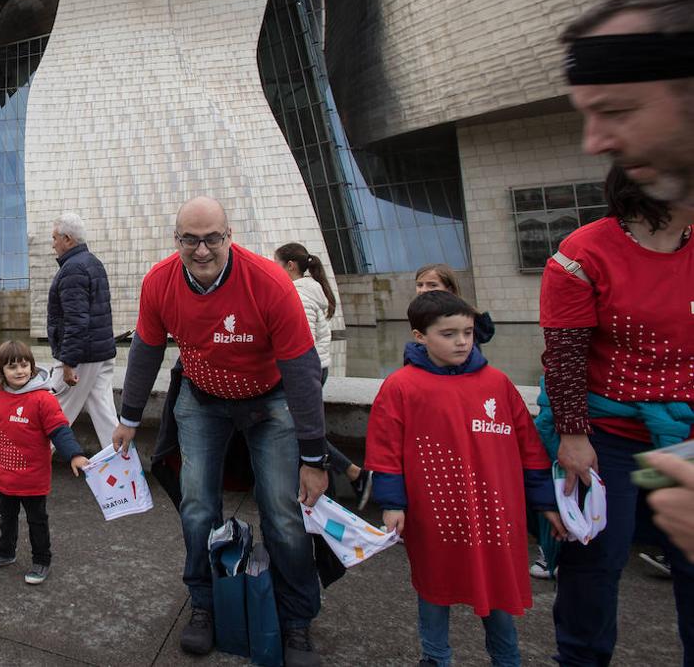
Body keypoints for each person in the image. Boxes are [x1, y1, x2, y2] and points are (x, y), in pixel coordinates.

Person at [540, 0, 694, 665]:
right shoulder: (583, 254)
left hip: (679, 432)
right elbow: (565, 356)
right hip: (609, 437)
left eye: (618, 110)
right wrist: (572, 438)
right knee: (594, 573)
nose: (594, 139)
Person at [113, 196, 328, 661]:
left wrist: (315, 456)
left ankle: (295, 619)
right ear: (177, 240)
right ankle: (205, 603)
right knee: (196, 506)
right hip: (203, 398)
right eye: (190, 239)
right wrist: (129, 417)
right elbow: (146, 351)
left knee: (282, 512)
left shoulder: (269, 282)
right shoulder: (159, 282)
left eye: (212, 238)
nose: (202, 250)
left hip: (269, 399)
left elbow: (302, 370)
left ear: (229, 236)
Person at [367, 291, 562, 667]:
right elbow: (385, 450)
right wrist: (392, 504)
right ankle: (436, 657)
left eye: (468, 332)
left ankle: (507, 659)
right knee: (435, 589)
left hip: (495, 515)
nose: (461, 341)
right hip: (435, 516)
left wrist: (546, 502)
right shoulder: (402, 387)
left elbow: (530, 450)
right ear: (419, 336)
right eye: (449, 333)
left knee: (499, 591)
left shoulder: (497, 383)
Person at [0, 340, 89, 585]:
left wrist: (74, 454)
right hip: (4, 474)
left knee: (36, 520)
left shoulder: (43, 399)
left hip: (33, 477)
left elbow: (59, 429)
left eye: (24, 365)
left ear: (32, 367)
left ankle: (42, 560)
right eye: (12, 367)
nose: (20, 371)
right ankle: (5, 552)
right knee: (6, 517)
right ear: (0, 371)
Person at [274, 242, 371, 506]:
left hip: (304, 372)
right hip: (319, 367)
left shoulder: (300, 293)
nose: (275, 269)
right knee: (300, 430)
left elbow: (298, 338)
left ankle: (352, 475)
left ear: (290, 266)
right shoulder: (313, 288)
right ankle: (347, 479)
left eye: (277, 263)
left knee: (299, 430)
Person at [46, 213, 118, 450]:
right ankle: (125, 472)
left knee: (54, 414)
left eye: (55, 238)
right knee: (106, 417)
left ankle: (28, 467)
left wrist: (68, 362)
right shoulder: (92, 262)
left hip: (82, 357)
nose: (53, 243)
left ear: (67, 239)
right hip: (100, 352)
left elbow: (77, 321)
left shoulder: (72, 270)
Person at [413, 263, 494, 345]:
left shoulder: (462, 315)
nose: (423, 290)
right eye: (420, 285)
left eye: (433, 285)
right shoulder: (420, 313)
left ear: (449, 289)